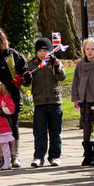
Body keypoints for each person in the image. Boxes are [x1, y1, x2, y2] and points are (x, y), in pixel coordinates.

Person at [0, 28, 31, 168]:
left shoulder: (14, 55)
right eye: (2, 42)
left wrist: (25, 78)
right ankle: (1, 157)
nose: (6, 43)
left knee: (12, 124)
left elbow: (24, 71)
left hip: (12, 96)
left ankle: (14, 156)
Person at [27, 37, 66, 167]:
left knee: (55, 132)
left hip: (55, 102)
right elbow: (26, 83)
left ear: (50, 51)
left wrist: (57, 66)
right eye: (40, 51)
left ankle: (55, 156)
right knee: (39, 132)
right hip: (39, 103)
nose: (43, 53)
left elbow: (62, 77)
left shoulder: (55, 62)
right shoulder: (32, 64)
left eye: (46, 50)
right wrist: (26, 78)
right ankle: (38, 157)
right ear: (36, 52)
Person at [71, 37, 94, 166]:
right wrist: (75, 98)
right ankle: (87, 155)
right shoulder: (80, 64)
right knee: (86, 127)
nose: (90, 51)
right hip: (84, 101)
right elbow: (75, 82)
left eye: (92, 49)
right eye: (87, 49)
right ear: (84, 50)